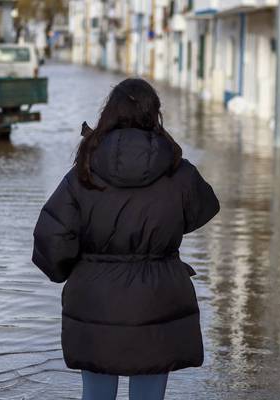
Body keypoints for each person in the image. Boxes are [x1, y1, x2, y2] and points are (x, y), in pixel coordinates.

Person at [32, 78, 220, 400]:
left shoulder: (84, 171)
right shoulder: (178, 170)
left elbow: (53, 237)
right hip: (158, 296)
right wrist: (160, 237)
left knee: (96, 395)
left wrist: (70, 271)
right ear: (154, 114)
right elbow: (204, 208)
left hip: (94, 299)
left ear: (110, 113)